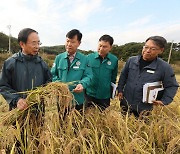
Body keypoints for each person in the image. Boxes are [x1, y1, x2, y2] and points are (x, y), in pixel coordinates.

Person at [0, 28, 52, 152]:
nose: (37, 46)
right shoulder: (11, 63)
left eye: (38, 43)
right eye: (33, 43)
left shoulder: (42, 64)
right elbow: (3, 86)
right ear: (22, 44)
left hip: (37, 112)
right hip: (18, 112)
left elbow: (49, 83)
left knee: (36, 141)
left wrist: (45, 93)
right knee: (18, 143)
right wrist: (16, 100)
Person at [117, 36, 179, 117]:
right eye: (146, 47)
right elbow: (123, 76)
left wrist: (164, 101)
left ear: (161, 50)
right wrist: (120, 89)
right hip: (126, 102)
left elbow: (172, 85)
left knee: (141, 127)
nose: (147, 51)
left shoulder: (164, 67)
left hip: (144, 107)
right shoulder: (131, 61)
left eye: (153, 49)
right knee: (122, 125)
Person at [51, 29, 92, 110]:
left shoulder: (84, 59)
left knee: (77, 122)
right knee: (62, 122)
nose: (69, 44)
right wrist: (60, 85)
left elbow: (88, 76)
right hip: (62, 99)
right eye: (67, 41)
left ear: (79, 43)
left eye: (72, 42)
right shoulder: (59, 58)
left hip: (77, 100)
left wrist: (82, 84)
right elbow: (52, 74)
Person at [85, 34, 118, 110]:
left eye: (104, 46)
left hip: (104, 96)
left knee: (103, 118)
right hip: (89, 94)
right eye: (100, 45)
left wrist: (112, 92)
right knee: (88, 117)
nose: (101, 48)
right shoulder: (89, 58)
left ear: (110, 47)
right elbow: (84, 75)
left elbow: (113, 77)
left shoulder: (114, 60)